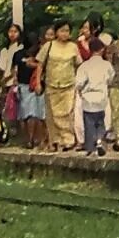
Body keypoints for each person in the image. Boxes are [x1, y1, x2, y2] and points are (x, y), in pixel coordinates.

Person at [35, 22, 80, 151]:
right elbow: (40, 65)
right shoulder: (48, 46)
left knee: (67, 113)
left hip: (69, 85)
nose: (64, 33)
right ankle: (55, 141)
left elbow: (78, 64)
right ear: (56, 32)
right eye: (62, 31)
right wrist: (38, 82)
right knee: (52, 115)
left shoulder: (73, 47)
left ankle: (68, 140)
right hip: (52, 84)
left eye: (67, 31)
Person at [73, 38, 115, 156]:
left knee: (89, 122)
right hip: (102, 96)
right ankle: (100, 140)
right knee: (101, 121)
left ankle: (90, 147)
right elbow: (111, 79)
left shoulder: (84, 66)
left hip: (88, 98)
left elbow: (79, 83)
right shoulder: (107, 65)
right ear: (102, 49)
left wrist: (80, 91)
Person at [0, 25, 28, 138]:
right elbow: (2, 68)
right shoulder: (5, 50)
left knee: (18, 108)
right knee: (7, 109)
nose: (12, 34)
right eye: (10, 31)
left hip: (16, 81)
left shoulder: (21, 48)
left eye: (15, 31)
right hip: (5, 82)